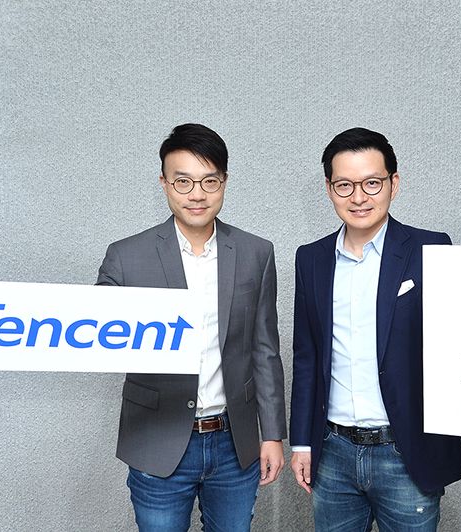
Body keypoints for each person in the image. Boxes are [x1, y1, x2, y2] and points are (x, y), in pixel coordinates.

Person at [96, 123, 286, 531]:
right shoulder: (126, 256)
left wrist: (272, 434)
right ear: (164, 183)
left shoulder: (256, 253)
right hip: (157, 439)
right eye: (183, 181)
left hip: (234, 442)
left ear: (224, 182)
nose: (197, 194)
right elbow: (97, 338)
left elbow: (265, 350)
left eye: (208, 181)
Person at [289, 127, 461, 531]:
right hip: (332, 452)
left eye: (372, 183)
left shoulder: (431, 249)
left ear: (394, 183)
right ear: (329, 189)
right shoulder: (311, 259)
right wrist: (301, 442)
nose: (359, 197)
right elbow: (307, 357)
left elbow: (457, 343)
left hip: (405, 451)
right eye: (345, 185)